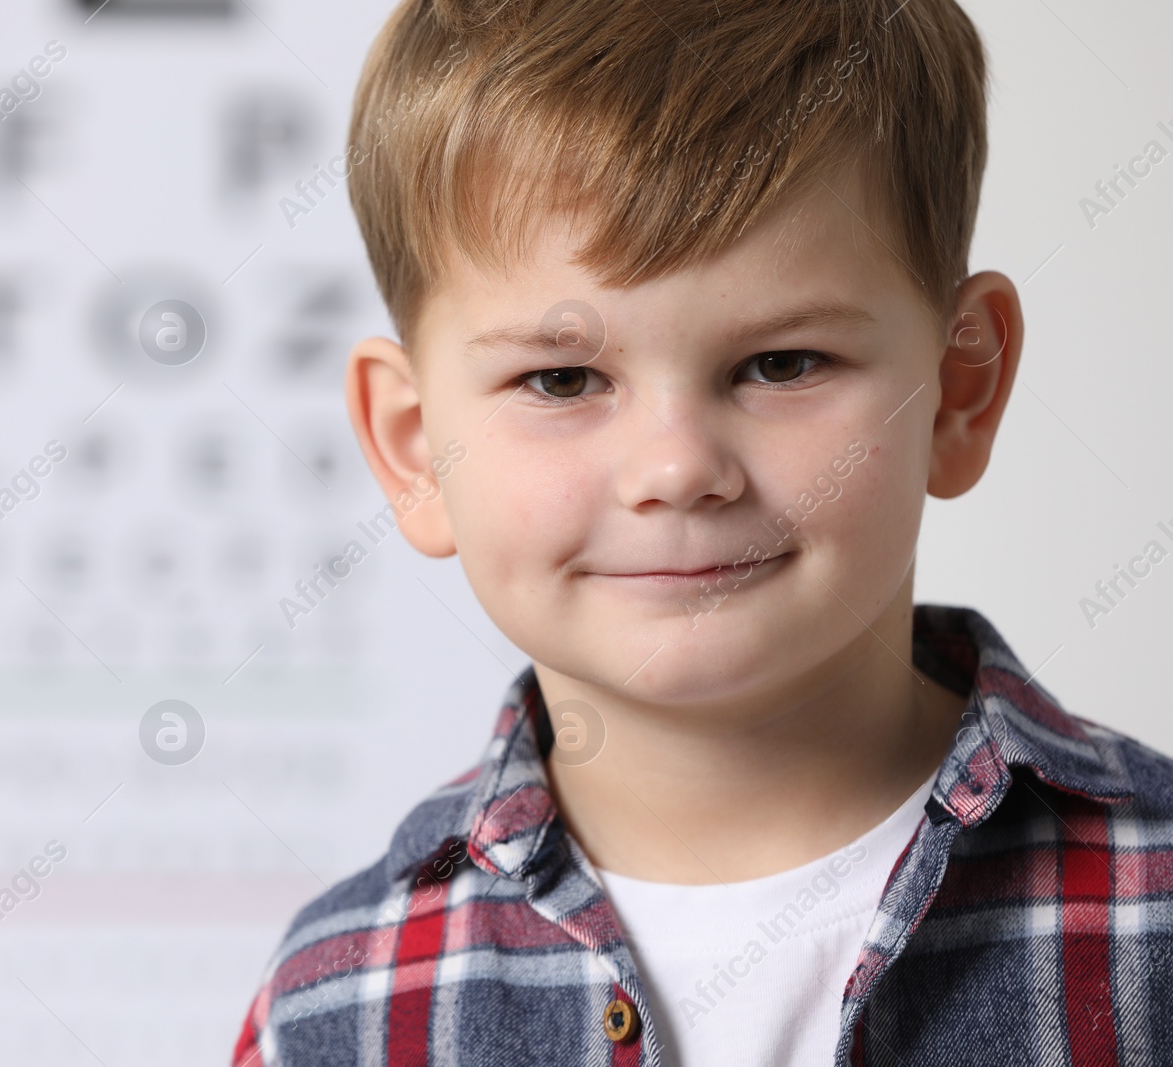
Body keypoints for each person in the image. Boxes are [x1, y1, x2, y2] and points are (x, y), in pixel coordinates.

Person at [234, 0, 1173, 1063]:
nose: (677, 466)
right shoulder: (334, 1004)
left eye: (781, 364)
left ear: (956, 391)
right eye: (561, 378)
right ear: (414, 449)